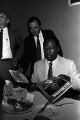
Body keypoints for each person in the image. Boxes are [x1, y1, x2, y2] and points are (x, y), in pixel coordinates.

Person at [0, 11, 23, 105]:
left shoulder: (14, 33)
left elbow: (22, 46)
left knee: (7, 89)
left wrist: (17, 58)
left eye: (2, 16)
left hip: (7, 64)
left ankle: (6, 108)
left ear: (7, 20)